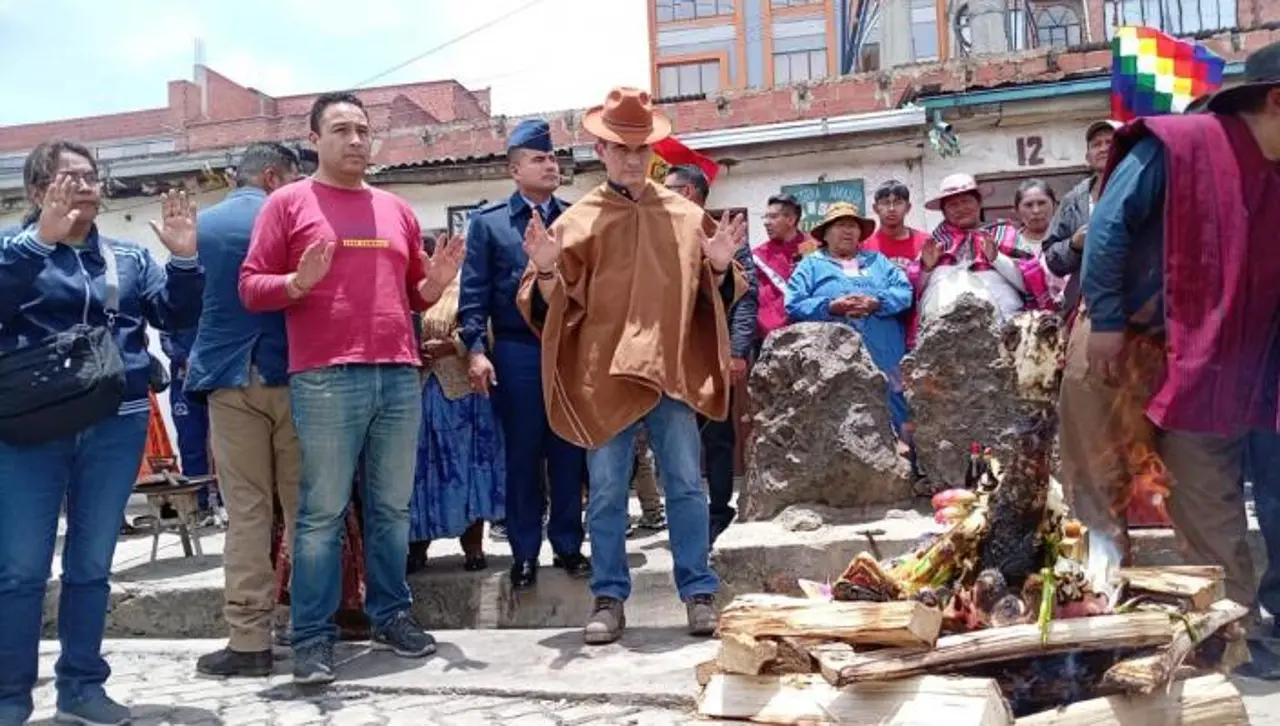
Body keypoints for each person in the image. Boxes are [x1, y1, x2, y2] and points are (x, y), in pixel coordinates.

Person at [239, 91, 464, 684]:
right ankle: (314, 635)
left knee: (393, 508)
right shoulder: (287, 204)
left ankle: (391, 613)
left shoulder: (396, 209)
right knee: (321, 513)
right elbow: (250, 287)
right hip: (325, 377)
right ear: (314, 139)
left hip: (397, 372)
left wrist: (436, 283)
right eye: (341, 130)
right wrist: (295, 281)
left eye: (363, 130)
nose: (356, 140)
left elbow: (415, 294)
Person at [517, 87, 748, 645]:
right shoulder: (580, 220)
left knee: (686, 486)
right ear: (600, 150)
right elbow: (543, 305)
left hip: (671, 369)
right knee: (605, 489)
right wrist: (547, 272)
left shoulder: (686, 215)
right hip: (606, 374)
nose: (631, 158)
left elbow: (715, 290)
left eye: (640, 148)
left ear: (653, 151)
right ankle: (609, 598)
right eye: (620, 148)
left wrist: (718, 269)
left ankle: (698, 591)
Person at [0, 140, 203, 726]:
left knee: (91, 564)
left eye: (91, 177)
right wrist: (40, 240)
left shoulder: (127, 258)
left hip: (115, 420)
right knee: (19, 568)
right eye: (69, 179)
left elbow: (175, 315)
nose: (85, 187)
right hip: (29, 423)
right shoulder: (14, 252)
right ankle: (10, 697)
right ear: (38, 191)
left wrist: (186, 262)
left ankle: (82, 688)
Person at [1078, 41, 1280, 622]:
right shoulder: (1179, 144)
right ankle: (1094, 628)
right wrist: (1109, 322)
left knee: (1210, 499)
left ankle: (1229, 631)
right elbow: (1109, 229)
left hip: (1213, 367)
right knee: (1101, 491)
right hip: (1121, 344)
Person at [185, 142, 303, 678]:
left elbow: (182, 306)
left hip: (229, 379)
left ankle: (249, 640)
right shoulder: (301, 217)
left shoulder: (201, 226)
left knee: (248, 513)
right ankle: (312, 627)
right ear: (276, 175)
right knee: (308, 510)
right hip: (297, 376)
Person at [459, 119, 591, 591]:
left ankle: (569, 545)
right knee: (522, 454)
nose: (550, 165)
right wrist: (475, 350)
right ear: (515, 169)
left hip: (569, 350)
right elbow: (472, 296)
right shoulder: (490, 224)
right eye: (538, 159)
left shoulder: (575, 219)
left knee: (569, 452)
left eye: (553, 158)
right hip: (516, 351)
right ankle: (524, 552)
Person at [663, 163, 758, 544]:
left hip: (713, 355)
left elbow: (745, 300)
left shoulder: (722, 235)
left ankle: (719, 510)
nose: (660, 191)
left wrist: (736, 351)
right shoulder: (657, 232)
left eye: (667, 187)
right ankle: (682, 514)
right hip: (668, 358)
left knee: (717, 437)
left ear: (687, 193)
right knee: (671, 438)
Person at [784, 202, 914, 449]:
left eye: (853, 226)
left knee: (896, 409)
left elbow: (905, 292)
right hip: (833, 360)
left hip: (886, 355)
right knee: (840, 415)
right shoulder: (811, 265)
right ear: (826, 233)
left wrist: (877, 302)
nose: (848, 231)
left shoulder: (878, 262)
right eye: (841, 225)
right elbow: (794, 304)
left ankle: (907, 473)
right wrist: (831, 306)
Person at [408, 271, 505, 573]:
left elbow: (486, 331)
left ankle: (473, 547)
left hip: (463, 397)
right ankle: (417, 547)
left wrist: (452, 346)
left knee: (466, 468)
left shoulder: (468, 289)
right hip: (418, 394)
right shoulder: (409, 291)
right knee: (418, 473)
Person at [911, 173, 1050, 324]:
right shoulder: (935, 243)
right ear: (944, 212)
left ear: (979, 203)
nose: (961, 208)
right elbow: (914, 293)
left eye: (966, 201)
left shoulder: (1004, 234)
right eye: (953, 205)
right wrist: (926, 268)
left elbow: (1028, 284)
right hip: (944, 334)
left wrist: (997, 259)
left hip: (1001, 329)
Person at [1042, 119, 1120, 323]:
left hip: (1136, 304)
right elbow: (1052, 257)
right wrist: (1074, 245)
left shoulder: (1142, 188)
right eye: (1096, 144)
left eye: (1110, 142)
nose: (1103, 148)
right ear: (1088, 157)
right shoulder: (1074, 199)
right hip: (1086, 307)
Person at [160, 327, 217, 520]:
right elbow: (165, 334)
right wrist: (184, 358)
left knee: (226, 444)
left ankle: (226, 502)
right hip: (183, 380)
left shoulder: (217, 298)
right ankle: (198, 504)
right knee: (191, 442)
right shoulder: (174, 301)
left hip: (216, 376)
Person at [753, 193, 813, 344]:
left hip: (811, 333)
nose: (766, 222)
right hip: (772, 338)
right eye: (765, 217)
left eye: (773, 217)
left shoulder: (813, 247)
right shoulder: (759, 255)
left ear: (791, 220)